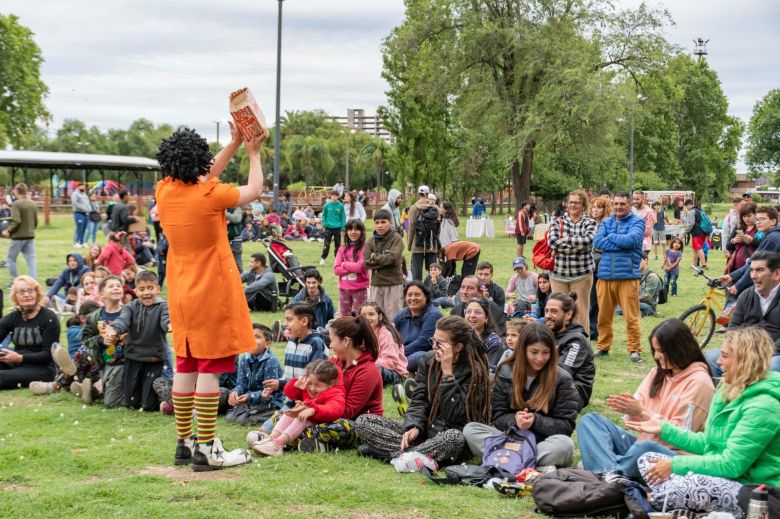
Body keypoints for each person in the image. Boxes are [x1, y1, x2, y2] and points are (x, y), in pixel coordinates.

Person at [156, 123, 262, 471]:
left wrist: (232, 143)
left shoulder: (164, 190)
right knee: (210, 368)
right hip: (212, 289)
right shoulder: (210, 195)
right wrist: (253, 153)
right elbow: (255, 190)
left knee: (185, 365)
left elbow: (202, 175)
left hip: (180, 289)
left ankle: (184, 443)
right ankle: (207, 449)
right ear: (198, 162)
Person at [628, 327, 780, 515]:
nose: (718, 361)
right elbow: (707, 443)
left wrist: (676, 466)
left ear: (744, 360)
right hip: (721, 476)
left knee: (689, 483)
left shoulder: (764, 406)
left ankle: (650, 496)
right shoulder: (728, 388)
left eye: (724, 356)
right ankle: (658, 497)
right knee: (647, 459)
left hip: (753, 490)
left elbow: (731, 465)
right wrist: (663, 429)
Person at [576, 318, 714, 482]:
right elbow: (635, 420)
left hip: (670, 456)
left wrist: (642, 412)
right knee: (590, 421)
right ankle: (612, 474)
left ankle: (606, 471)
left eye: (661, 351)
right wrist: (630, 409)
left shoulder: (700, 382)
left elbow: (681, 436)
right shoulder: (658, 372)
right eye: (654, 350)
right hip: (640, 445)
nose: (656, 356)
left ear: (679, 349)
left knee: (645, 448)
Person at [355, 315, 491, 464]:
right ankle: (414, 453)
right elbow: (419, 399)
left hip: (451, 436)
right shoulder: (428, 360)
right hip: (426, 430)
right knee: (363, 421)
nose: (434, 347)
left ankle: (393, 455)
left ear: (458, 347)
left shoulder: (476, 371)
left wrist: (447, 374)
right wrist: (414, 426)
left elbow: (454, 415)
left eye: (440, 343)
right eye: (433, 341)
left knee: (454, 439)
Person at [463, 322, 577, 470]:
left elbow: (566, 426)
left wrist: (535, 421)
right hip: (511, 438)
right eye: (534, 352)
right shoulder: (505, 370)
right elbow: (498, 416)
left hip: (541, 442)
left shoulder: (562, 379)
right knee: (471, 430)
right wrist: (516, 421)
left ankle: (505, 460)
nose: (540, 358)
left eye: (546, 352)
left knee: (564, 445)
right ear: (523, 350)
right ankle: (530, 464)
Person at [300, 315, 384, 452]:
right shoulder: (334, 363)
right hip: (329, 413)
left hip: (358, 424)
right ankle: (311, 440)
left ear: (345, 341)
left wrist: (314, 411)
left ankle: (298, 437)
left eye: (332, 340)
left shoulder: (368, 371)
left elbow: (347, 412)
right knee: (288, 415)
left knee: (336, 428)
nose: (330, 345)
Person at [706, 251, 780, 376]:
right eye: (752, 270)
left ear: (777, 274)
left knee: (771, 367)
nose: (753, 276)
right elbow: (732, 329)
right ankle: (725, 393)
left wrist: (758, 356)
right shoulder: (746, 295)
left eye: (759, 270)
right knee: (709, 358)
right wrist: (738, 353)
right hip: (742, 352)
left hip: (774, 354)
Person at [252, 360, 344, 457]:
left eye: (318, 385)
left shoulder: (335, 393)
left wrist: (313, 410)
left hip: (320, 426)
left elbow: (335, 409)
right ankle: (271, 438)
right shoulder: (305, 387)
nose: (312, 388)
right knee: (289, 414)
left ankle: (278, 444)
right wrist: (296, 386)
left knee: (302, 418)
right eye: (310, 383)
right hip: (304, 423)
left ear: (331, 384)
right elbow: (290, 394)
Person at [594, 192, 645, 362]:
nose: (618, 207)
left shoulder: (638, 221)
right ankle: (603, 347)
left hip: (628, 276)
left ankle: (634, 348)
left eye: (622, 204)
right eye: (616, 204)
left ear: (630, 205)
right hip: (605, 276)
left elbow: (631, 241)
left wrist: (612, 238)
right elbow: (598, 242)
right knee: (603, 316)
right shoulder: (607, 221)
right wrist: (619, 242)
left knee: (631, 317)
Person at [547, 190, 597, 336]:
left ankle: (582, 347)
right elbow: (552, 242)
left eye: (577, 202)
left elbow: (588, 241)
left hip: (581, 275)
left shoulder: (590, 222)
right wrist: (576, 246)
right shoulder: (557, 221)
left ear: (583, 205)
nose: (573, 205)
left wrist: (565, 240)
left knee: (580, 313)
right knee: (558, 312)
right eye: (570, 202)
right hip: (558, 274)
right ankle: (558, 345)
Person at [0, 277, 60, 390]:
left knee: (2, 376)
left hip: (43, 368)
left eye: (30, 291)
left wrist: (20, 358)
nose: (27, 295)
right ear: (15, 297)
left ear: (37, 293)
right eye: (22, 292)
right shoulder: (14, 317)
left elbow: (48, 355)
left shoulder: (49, 318)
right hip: (17, 364)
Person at [224, 323, 284, 425]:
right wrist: (235, 392)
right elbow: (241, 383)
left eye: (257, 337)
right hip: (251, 401)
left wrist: (249, 396)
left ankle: (276, 414)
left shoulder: (271, 361)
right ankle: (249, 412)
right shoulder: (244, 359)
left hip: (269, 402)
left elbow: (269, 393)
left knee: (243, 419)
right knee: (230, 417)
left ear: (267, 344)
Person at [543, 292, 595, 410]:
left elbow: (562, 374)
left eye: (554, 311)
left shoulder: (576, 340)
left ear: (568, 315)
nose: (548, 315)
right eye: (546, 311)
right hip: (547, 388)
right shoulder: (548, 334)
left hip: (571, 394)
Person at [720, 205, 780, 297]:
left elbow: (756, 266)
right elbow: (752, 263)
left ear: (773, 221)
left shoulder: (772, 238)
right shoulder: (769, 236)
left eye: (762, 219)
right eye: (757, 219)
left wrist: (738, 286)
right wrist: (732, 276)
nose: (758, 222)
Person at [364, 209, 405, 321]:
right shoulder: (370, 241)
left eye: (383, 222)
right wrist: (385, 261)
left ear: (390, 222)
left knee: (394, 317)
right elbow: (366, 263)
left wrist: (375, 257)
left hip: (394, 283)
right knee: (376, 316)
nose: (380, 225)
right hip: (376, 283)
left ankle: (395, 338)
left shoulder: (396, 238)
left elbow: (393, 259)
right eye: (377, 222)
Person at [393, 281, 443, 373]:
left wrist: (397, 354)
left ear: (426, 296)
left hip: (421, 354)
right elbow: (389, 334)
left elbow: (423, 342)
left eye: (417, 294)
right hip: (400, 354)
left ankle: (393, 368)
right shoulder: (401, 315)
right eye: (409, 295)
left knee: (420, 356)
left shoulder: (433, 315)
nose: (413, 298)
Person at [359, 302, 408, 386]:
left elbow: (390, 361)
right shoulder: (361, 333)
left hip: (393, 372)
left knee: (373, 370)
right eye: (363, 315)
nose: (367, 318)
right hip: (369, 366)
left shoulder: (386, 334)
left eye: (371, 314)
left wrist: (366, 364)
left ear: (380, 316)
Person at [589, 196, 613, 340]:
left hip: (604, 263)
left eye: (599, 207)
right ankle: (592, 331)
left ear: (605, 209)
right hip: (590, 263)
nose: (595, 210)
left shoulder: (609, 225)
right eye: (593, 207)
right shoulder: (589, 224)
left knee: (603, 300)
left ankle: (603, 331)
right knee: (592, 299)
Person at [438, 201, 481, 282]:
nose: (439, 209)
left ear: (446, 210)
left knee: (461, 272)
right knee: (451, 270)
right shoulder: (443, 220)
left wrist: (454, 249)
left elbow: (454, 237)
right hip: (448, 249)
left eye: (441, 207)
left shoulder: (449, 222)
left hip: (452, 248)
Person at [334, 219, 369, 317]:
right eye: (350, 230)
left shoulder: (365, 248)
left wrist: (344, 264)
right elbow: (336, 269)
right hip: (344, 289)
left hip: (360, 288)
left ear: (362, 232)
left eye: (356, 229)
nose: (353, 232)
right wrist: (353, 266)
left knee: (360, 315)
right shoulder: (342, 249)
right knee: (344, 316)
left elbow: (359, 267)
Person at [4, 183, 37, 280]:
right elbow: (35, 221)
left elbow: (16, 221)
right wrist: (30, 229)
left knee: (11, 259)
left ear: (16, 191)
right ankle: (32, 281)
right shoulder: (32, 203)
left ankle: (15, 280)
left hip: (18, 237)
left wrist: (8, 230)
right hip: (30, 236)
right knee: (31, 260)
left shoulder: (16, 204)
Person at [407, 185, 440, 281]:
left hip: (417, 243)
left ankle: (418, 291)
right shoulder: (436, 208)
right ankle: (432, 290)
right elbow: (438, 228)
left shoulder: (413, 208)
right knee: (433, 271)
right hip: (432, 243)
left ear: (418, 194)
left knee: (416, 272)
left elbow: (411, 227)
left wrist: (409, 245)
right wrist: (438, 245)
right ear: (428, 193)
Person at [464, 298, 506, 371]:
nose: (472, 315)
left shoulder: (494, 342)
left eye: (477, 312)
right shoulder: (460, 336)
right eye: (468, 312)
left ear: (487, 318)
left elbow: (489, 371)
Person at [725, 202, 759, 275]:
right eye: (744, 216)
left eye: (749, 216)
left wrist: (752, 241)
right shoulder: (739, 227)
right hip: (735, 265)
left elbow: (763, 246)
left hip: (751, 266)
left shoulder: (760, 229)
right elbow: (728, 246)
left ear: (756, 215)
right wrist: (734, 241)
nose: (746, 218)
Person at [319, 190, 346, 265]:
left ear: (338, 197)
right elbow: (323, 215)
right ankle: (323, 258)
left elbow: (343, 217)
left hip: (338, 228)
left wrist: (343, 228)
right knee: (326, 244)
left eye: (336, 196)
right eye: (333, 196)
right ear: (330, 196)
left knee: (337, 245)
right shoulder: (327, 205)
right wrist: (324, 224)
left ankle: (337, 260)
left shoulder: (341, 206)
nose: (334, 197)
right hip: (328, 228)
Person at [683, 198, 708, 269]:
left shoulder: (691, 212)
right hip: (703, 232)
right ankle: (694, 265)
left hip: (697, 233)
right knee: (695, 249)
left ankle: (704, 265)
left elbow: (691, 224)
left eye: (686, 207)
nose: (687, 209)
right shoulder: (699, 210)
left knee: (698, 249)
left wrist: (685, 232)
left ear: (688, 205)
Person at [71, 183, 92, 247]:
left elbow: (87, 203)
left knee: (84, 228)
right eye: (82, 186)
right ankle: (76, 242)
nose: (83, 187)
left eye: (84, 186)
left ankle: (82, 242)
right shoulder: (75, 194)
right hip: (79, 213)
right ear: (78, 187)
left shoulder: (85, 194)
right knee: (79, 227)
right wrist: (83, 208)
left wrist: (89, 209)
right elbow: (75, 203)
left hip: (86, 214)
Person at [226, 206, 244, 272]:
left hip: (235, 240)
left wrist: (224, 214)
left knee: (237, 262)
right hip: (223, 239)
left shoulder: (236, 208)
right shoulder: (219, 207)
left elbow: (236, 219)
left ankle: (240, 279)